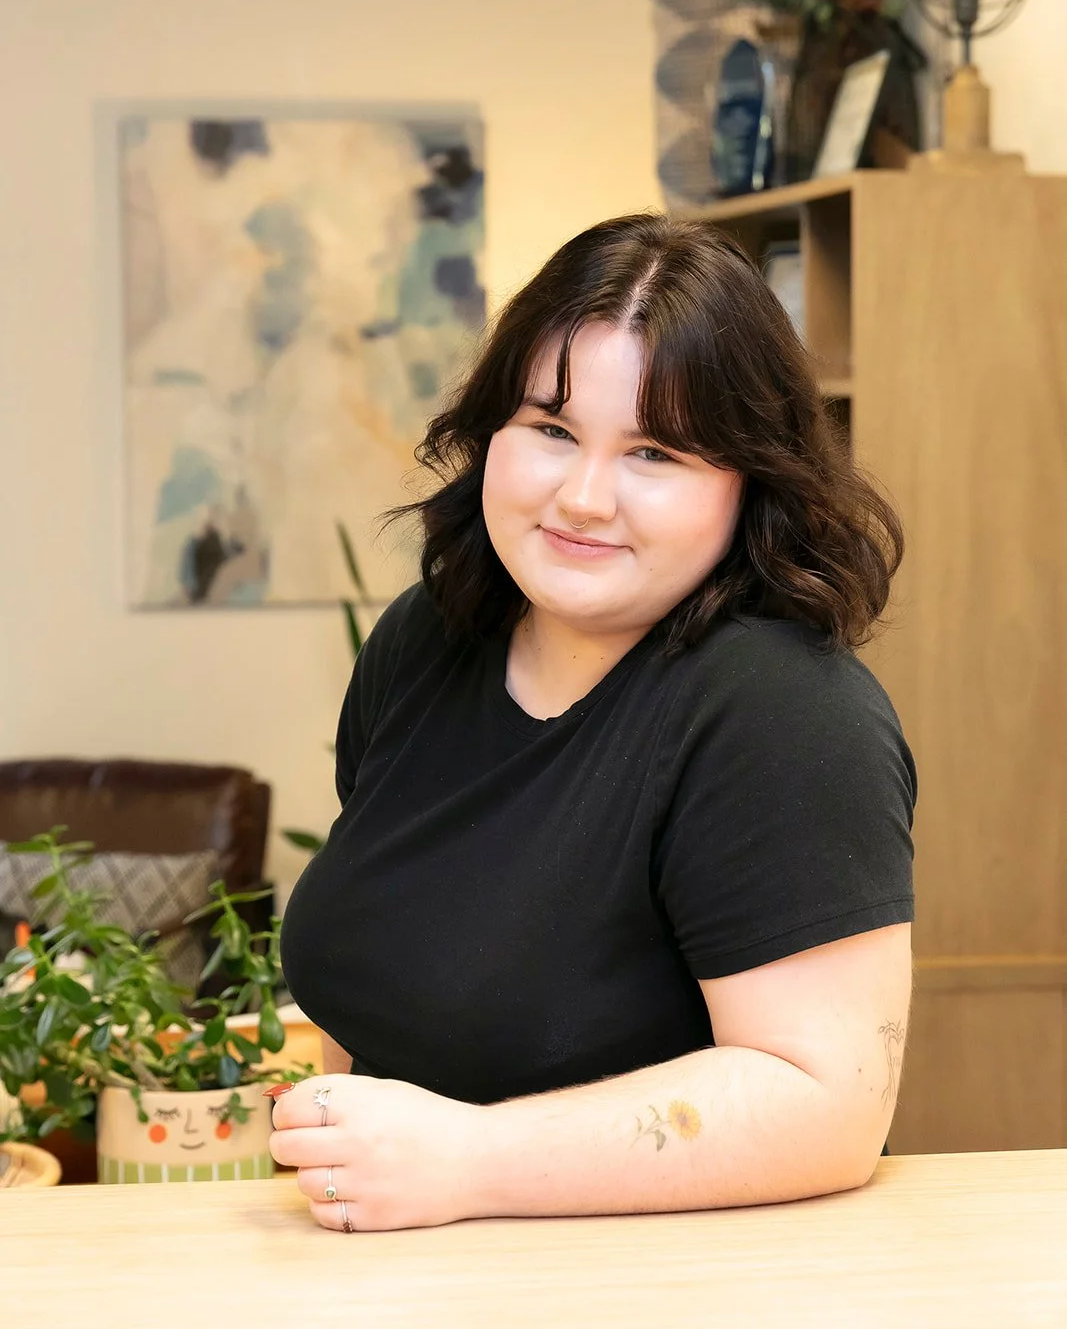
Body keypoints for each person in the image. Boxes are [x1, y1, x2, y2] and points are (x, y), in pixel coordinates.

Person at [272, 212, 916, 1234]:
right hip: (403, 1279)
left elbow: (826, 1101)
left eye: (653, 451)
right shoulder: (427, 640)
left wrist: (466, 1163)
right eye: (551, 429)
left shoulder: (782, 712)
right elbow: (382, 985)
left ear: (749, 481)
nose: (581, 497)